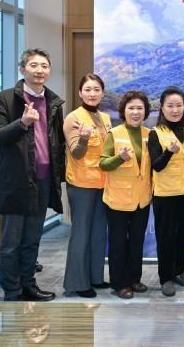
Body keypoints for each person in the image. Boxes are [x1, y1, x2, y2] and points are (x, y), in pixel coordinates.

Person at [0, 48, 65, 301]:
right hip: (15, 181)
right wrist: (22, 123)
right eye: (33, 65)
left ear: (49, 70)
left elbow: (57, 143)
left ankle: (29, 285)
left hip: (43, 180)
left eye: (44, 66)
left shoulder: (53, 102)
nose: (39, 70)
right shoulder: (4, 98)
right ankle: (12, 291)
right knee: (11, 242)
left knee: (32, 239)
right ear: (22, 69)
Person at [147, 87, 184, 297]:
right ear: (162, 108)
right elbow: (156, 166)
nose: (175, 110)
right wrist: (168, 152)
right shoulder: (155, 133)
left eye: (179, 105)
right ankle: (166, 278)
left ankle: (179, 271)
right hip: (166, 195)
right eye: (170, 106)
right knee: (166, 237)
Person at [63, 74, 112, 298]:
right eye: (88, 89)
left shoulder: (105, 117)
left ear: (102, 92)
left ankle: (95, 277)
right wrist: (83, 138)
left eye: (96, 89)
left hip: (103, 182)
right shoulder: (73, 118)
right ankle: (78, 283)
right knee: (81, 233)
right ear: (80, 93)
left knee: (99, 232)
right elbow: (76, 152)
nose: (92, 94)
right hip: (81, 183)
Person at [99, 90, 152, 299]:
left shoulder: (149, 134)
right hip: (118, 199)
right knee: (118, 243)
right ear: (123, 111)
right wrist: (119, 158)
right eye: (131, 108)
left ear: (145, 111)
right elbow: (103, 163)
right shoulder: (114, 134)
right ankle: (120, 283)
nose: (136, 112)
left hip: (142, 198)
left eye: (140, 108)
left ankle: (134, 279)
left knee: (137, 241)